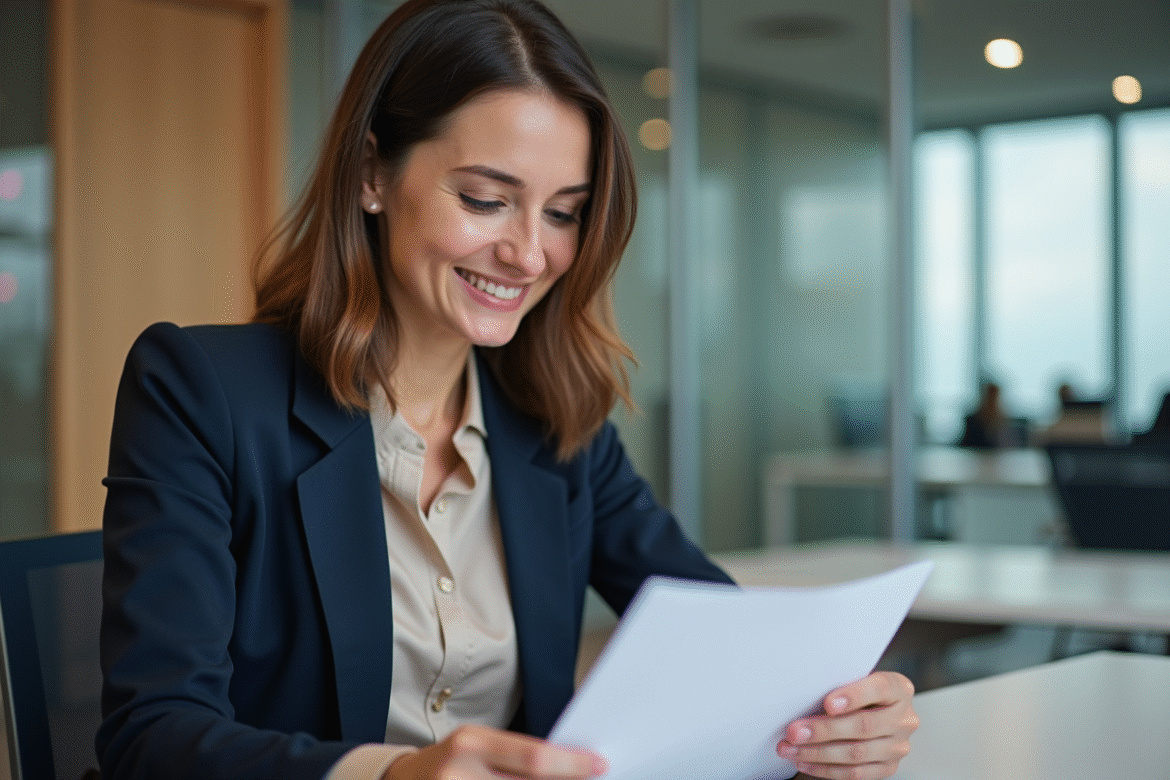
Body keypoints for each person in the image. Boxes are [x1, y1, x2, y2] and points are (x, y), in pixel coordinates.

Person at [97, 2, 918, 779]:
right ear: (372, 175)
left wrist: (834, 720)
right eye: (486, 200)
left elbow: (723, 647)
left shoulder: (556, 419)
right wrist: (394, 774)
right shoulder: (200, 390)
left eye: (563, 213)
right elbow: (152, 733)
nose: (529, 255)